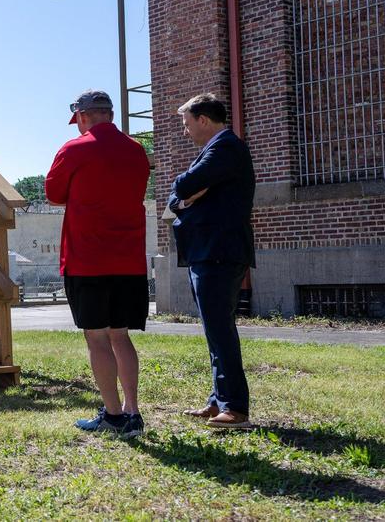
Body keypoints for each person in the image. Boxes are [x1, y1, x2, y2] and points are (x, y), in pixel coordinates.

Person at [45, 89, 150, 438]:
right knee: (120, 335)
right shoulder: (136, 150)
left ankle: (114, 414)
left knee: (97, 338)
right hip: (129, 259)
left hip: (87, 258)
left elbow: (54, 194)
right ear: (110, 114)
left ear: (84, 116)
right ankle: (134, 412)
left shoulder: (75, 149)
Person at [168, 93, 255, 429]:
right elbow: (177, 199)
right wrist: (186, 196)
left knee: (220, 330)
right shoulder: (213, 152)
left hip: (220, 251)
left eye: (187, 124)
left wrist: (187, 190)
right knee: (213, 330)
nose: (185, 131)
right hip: (207, 251)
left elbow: (182, 184)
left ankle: (235, 408)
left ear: (203, 119)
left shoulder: (226, 148)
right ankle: (219, 400)